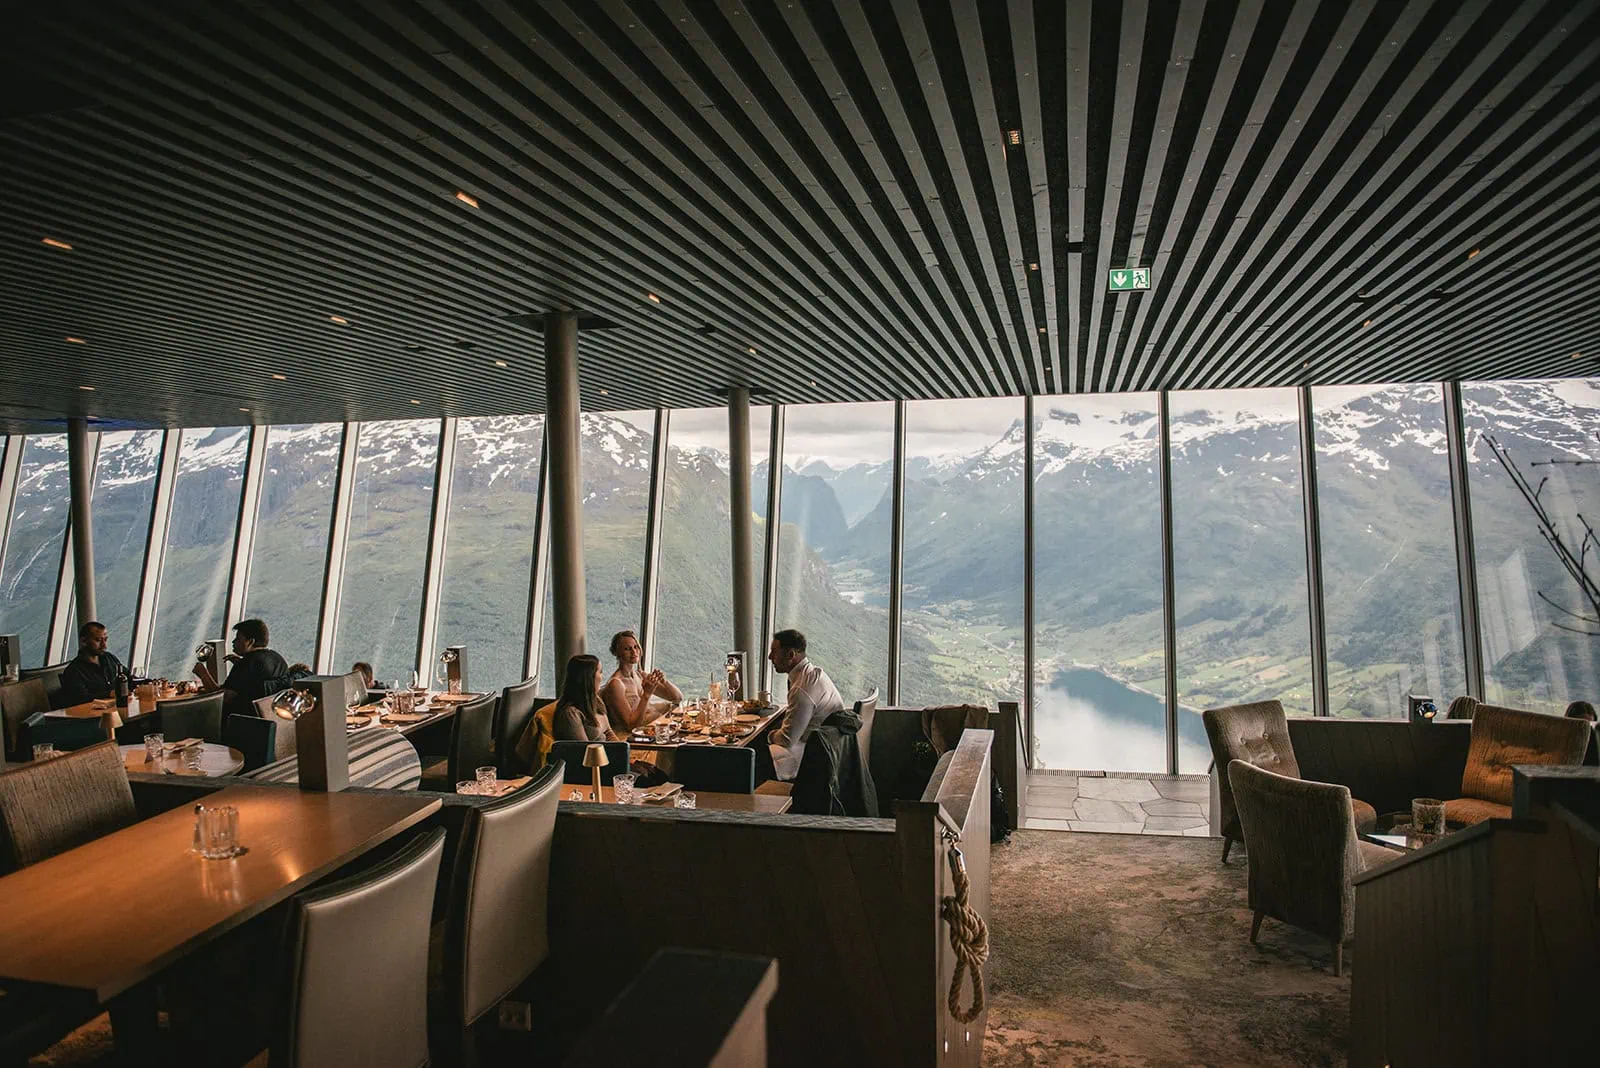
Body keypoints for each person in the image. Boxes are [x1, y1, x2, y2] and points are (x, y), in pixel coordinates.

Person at [767, 629, 845, 781]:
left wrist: (768, 735)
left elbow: (787, 740)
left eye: (774, 652)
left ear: (790, 655)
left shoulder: (801, 689)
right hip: (829, 744)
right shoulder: (813, 674)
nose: (770, 657)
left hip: (814, 752)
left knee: (753, 757)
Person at [194, 618, 291, 718]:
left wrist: (203, 674)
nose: (233, 642)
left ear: (250, 642)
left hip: (239, 722)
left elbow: (222, 697)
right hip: (267, 721)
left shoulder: (247, 663)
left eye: (238, 639)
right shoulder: (278, 659)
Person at [601, 630, 682, 732]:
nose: (634, 652)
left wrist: (664, 681)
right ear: (617, 653)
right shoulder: (616, 684)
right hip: (633, 737)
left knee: (676, 709)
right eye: (627, 649)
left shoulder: (639, 675)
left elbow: (677, 698)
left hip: (651, 730)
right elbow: (630, 725)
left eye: (636, 647)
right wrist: (646, 694)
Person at [58, 621, 127, 706]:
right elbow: (80, 699)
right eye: (98, 640)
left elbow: (128, 677)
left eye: (105, 640)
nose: (104, 645)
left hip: (116, 710)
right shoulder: (73, 671)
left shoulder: (110, 658)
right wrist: (108, 694)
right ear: (84, 641)